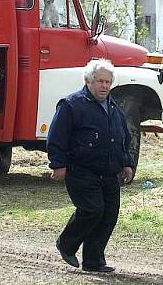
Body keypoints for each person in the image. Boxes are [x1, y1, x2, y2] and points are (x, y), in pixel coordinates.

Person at [47, 59, 135, 273]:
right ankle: (66, 243)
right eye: (99, 81)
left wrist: (126, 163)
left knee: (108, 215)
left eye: (108, 82)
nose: (104, 86)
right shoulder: (71, 105)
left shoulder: (114, 108)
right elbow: (56, 137)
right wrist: (58, 165)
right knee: (92, 209)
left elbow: (122, 138)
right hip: (81, 170)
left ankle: (94, 262)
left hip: (109, 172)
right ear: (88, 81)